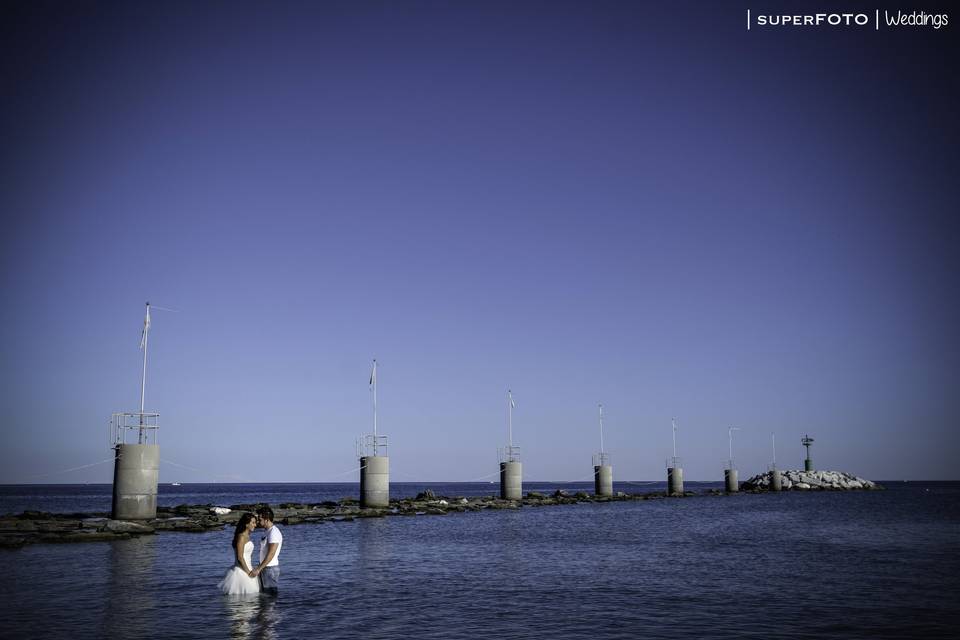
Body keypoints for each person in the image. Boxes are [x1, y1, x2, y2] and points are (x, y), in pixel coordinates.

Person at [217, 512, 261, 595]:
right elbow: (240, 557)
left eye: (255, 523)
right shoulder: (241, 537)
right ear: (246, 524)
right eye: (253, 523)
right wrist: (248, 572)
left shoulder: (247, 536)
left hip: (248, 569)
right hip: (242, 572)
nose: (255, 525)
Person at [250, 506, 283, 594]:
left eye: (260, 519)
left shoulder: (273, 533)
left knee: (270, 596)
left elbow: (271, 553)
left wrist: (258, 569)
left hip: (270, 569)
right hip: (265, 568)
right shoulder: (267, 531)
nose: (258, 522)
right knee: (265, 597)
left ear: (267, 519)